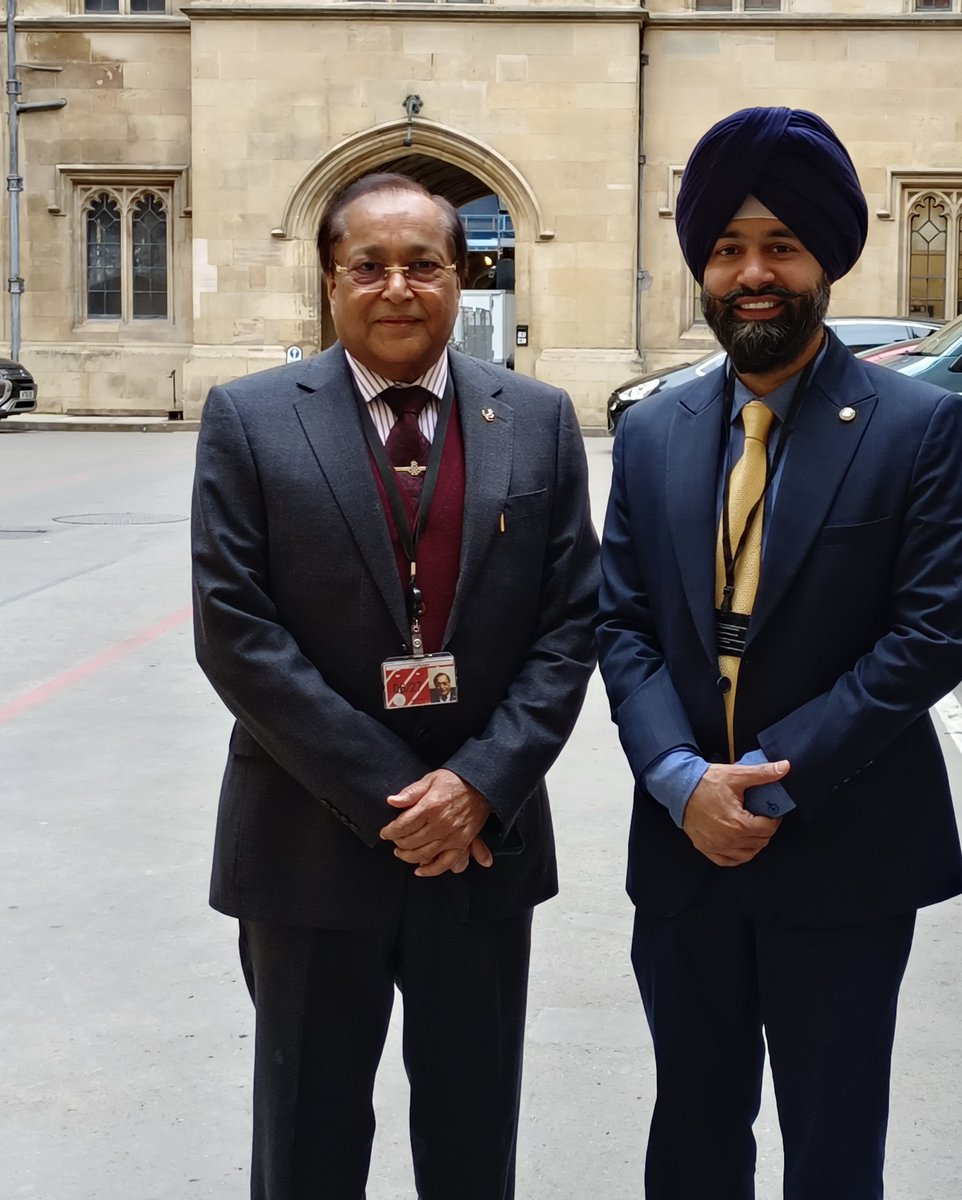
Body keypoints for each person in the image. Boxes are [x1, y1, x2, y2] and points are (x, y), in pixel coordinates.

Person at [191, 171, 598, 1200]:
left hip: (481, 844)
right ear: (329, 281)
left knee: (470, 1133)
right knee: (307, 1134)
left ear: (461, 278)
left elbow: (568, 625)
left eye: (422, 264)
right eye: (366, 265)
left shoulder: (539, 420)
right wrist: (399, 801)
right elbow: (237, 635)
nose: (396, 286)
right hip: (304, 844)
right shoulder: (248, 420)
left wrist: (474, 788)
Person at [595, 106, 962, 1200]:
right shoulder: (653, 431)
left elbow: (930, 630)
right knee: (694, 1128)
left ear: (825, 261)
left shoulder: (914, 427)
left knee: (832, 1137)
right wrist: (677, 779)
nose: (751, 272)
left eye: (779, 245)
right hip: (681, 852)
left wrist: (761, 787)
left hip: (842, 845)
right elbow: (618, 624)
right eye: (726, 248)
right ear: (700, 266)